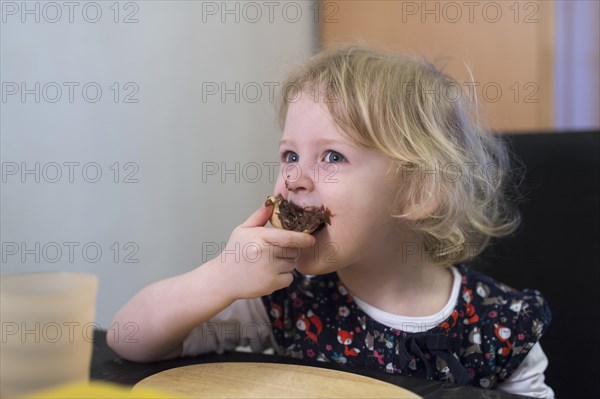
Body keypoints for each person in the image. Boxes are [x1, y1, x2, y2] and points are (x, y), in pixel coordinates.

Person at [109, 46, 553, 398]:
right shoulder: (283, 297)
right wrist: (219, 277)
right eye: (289, 155)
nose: (295, 178)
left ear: (421, 190)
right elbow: (128, 340)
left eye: (333, 156)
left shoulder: (502, 325)